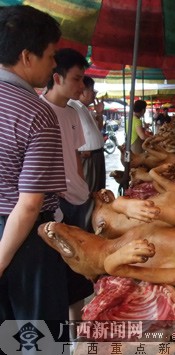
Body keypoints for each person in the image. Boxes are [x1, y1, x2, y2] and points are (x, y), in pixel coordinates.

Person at [0, 5, 70, 322]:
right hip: (24, 239)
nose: (54, 64)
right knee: (35, 339)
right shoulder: (37, 113)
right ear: (27, 57)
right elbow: (29, 205)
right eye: (51, 55)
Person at [41, 48, 94, 324]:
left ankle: (76, 331)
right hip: (53, 203)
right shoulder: (39, 112)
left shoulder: (72, 113)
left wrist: (82, 187)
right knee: (57, 271)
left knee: (79, 269)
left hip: (77, 200)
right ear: (57, 77)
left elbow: (75, 154)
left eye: (83, 79)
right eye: (76, 79)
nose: (81, 85)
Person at [68, 75, 106, 232]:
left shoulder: (84, 109)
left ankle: (94, 224)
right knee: (88, 193)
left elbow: (97, 129)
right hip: (86, 157)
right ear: (83, 90)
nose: (94, 95)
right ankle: (86, 228)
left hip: (95, 155)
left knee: (97, 192)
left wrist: (99, 114)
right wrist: (78, 151)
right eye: (92, 91)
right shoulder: (72, 106)